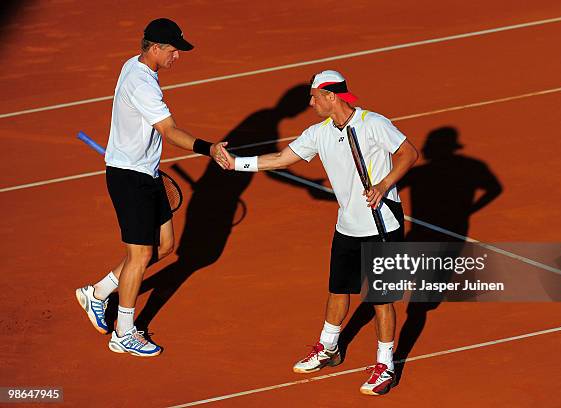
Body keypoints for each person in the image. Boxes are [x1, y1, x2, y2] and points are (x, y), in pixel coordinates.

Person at [219, 70, 418, 395]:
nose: (311, 103)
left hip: (382, 225)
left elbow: (409, 153)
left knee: (381, 300)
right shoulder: (318, 133)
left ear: (330, 96)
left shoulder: (373, 123)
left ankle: (386, 366)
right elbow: (282, 158)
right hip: (347, 226)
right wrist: (237, 164)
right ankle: (329, 348)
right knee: (338, 289)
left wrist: (383, 185)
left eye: (314, 97)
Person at [75, 18, 228, 357]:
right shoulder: (143, 84)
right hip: (130, 177)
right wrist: (209, 148)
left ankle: (98, 293)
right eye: (174, 50)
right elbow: (170, 131)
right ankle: (124, 332)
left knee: (165, 245)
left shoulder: (134, 64)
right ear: (156, 48)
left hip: (146, 172)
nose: (178, 56)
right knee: (140, 254)